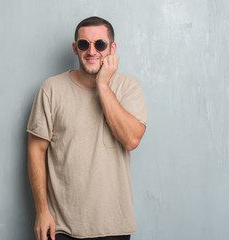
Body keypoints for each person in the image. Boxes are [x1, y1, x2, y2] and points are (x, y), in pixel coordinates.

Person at [26, 16, 148, 240]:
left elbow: (131, 140)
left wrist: (103, 85)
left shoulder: (128, 86)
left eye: (100, 44)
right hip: (61, 227)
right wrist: (42, 212)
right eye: (84, 44)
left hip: (114, 226)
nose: (91, 51)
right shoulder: (51, 89)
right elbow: (36, 151)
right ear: (75, 48)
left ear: (112, 48)